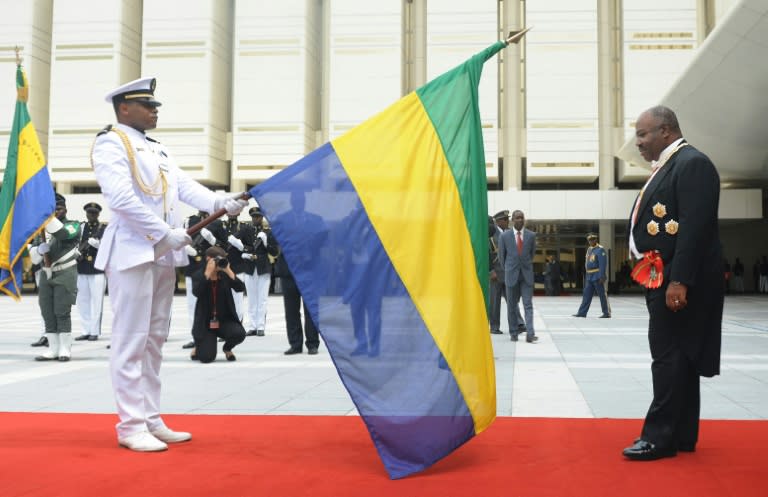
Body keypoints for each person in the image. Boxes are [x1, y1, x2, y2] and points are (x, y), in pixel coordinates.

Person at [90, 76, 248, 452]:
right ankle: (130, 426)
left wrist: (219, 202)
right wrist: (164, 231)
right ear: (124, 108)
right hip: (132, 249)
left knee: (155, 339)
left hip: (161, 252)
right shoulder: (110, 143)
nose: (155, 110)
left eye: (156, 105)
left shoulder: (157, 149)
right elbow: (121, 198)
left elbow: (182, 186)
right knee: (131, 339)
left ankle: (150, 418)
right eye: (148, 105)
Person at [622, 105, 723, 461]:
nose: (638, 142)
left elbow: (694, 229)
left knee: (666, 358)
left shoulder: (691, 164)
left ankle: (659, 436)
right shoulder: (669, 166)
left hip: (675, 284)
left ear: (666, 131)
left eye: (643, 134)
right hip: (662, 280)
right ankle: (681, 434)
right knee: (680, 357)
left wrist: (678, 280)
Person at [28, 193, 81, 361]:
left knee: (62, 311)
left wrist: (47, 217)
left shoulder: (74, 225)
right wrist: (38, 250)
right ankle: (53, 348)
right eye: (53, 210)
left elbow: (64, 234)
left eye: (58, 209)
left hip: (65, 273)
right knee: (47, 312)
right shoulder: (41, 231)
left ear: (65, 209)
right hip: (46, 273)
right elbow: (34, 256)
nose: (56, 212)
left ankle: (65, 348)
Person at [189, 247, 246, 363]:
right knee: (206, 358)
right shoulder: (199, 274)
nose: (219, 263)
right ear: (208, 259)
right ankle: (199, 345)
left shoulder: (224, 274)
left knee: (239, 333)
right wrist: (207, 274)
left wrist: (229, 271)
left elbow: (241, 288)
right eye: (217, 260)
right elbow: (197, 292)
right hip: (205, 323)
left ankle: (227, 349)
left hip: (224, 321)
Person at [231, 207, 279, 337]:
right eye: (253, 216)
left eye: (258, 216)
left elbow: (274, 252)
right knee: (251, 299)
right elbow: (233, 240)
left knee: (262, 299)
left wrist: (266, 242)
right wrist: (244, 251)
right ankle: (252, 326)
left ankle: (260, 326)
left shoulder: (268, 232)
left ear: (262, 217)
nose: (255, 219)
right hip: (249, 268)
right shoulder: (246, 229)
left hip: (263, 268)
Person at [181, 212, 225, 349]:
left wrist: (213, 241)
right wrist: (184, 248)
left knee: (212, 302)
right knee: (191, 304)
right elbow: (181, 238)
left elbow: (225, 247)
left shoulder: (216, 222)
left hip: (209, 268)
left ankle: (213, 334)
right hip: (192, 266)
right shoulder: (190, 220)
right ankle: (195, 336)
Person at [498, 210, 538, 343]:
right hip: (511, 276)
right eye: (517, 218)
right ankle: (513, 333)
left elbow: (531, 254)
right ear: (512, 220)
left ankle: (530, 333)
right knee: (511, 306)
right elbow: (501, 257)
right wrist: (509, 270)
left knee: (528, 305)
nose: (520, 220)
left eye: (522, 218)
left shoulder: (531, 236)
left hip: (526, 276)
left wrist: (524, 266)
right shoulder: (504, 236)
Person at [75, 202, 107, 341]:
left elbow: (107, 247)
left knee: (96, 302)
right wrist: (76, 252)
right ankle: (85, 330)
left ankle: (94, 331)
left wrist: (98, 244)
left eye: (94, 213)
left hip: (97, 269)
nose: (91, 215)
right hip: (82, 267)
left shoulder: (103, 228)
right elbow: (76, 243)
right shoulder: (81, 227)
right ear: (86, 213)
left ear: (98, 214)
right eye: (89, 212)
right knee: (82, 301)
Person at [572, 233, 611, 318]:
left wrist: (602, 276)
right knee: (586, 295)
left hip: (597, 275)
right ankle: (582, 312)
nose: (590, 241)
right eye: (589, 240)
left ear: (596, 240)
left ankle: (606, 312)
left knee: (602, 295)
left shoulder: (600, 250)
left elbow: (602, 264)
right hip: (589, 276)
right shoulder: (589, 249)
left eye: (592, 240)